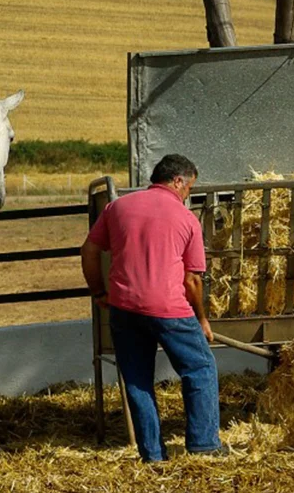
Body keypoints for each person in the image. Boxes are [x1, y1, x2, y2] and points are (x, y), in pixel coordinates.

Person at [81, 154, 224, 462]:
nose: (188, 195)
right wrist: (201, 319)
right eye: (189, 188)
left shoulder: (118, 207)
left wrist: (98, 291)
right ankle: (204, 446)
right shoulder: (186, 219)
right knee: (200, 369)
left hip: (124, 307)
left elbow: (89, 250)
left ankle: (153, 455)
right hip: (169, 309)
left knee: (137, 379)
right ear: (177, 181)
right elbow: (193, 280)